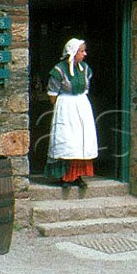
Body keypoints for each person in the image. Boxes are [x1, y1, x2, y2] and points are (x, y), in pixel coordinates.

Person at [43, 38, 98, 189]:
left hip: (82, 106)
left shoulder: (85, 69)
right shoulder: (59, 70)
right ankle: (64, 177)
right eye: (81, 51)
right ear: (73, 53)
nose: (84, 54)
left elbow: (86, 88)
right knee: (66, 141)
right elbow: (52, 94)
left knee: (81, 141)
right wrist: (63, 107)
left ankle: (78, 176)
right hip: (65, 107)